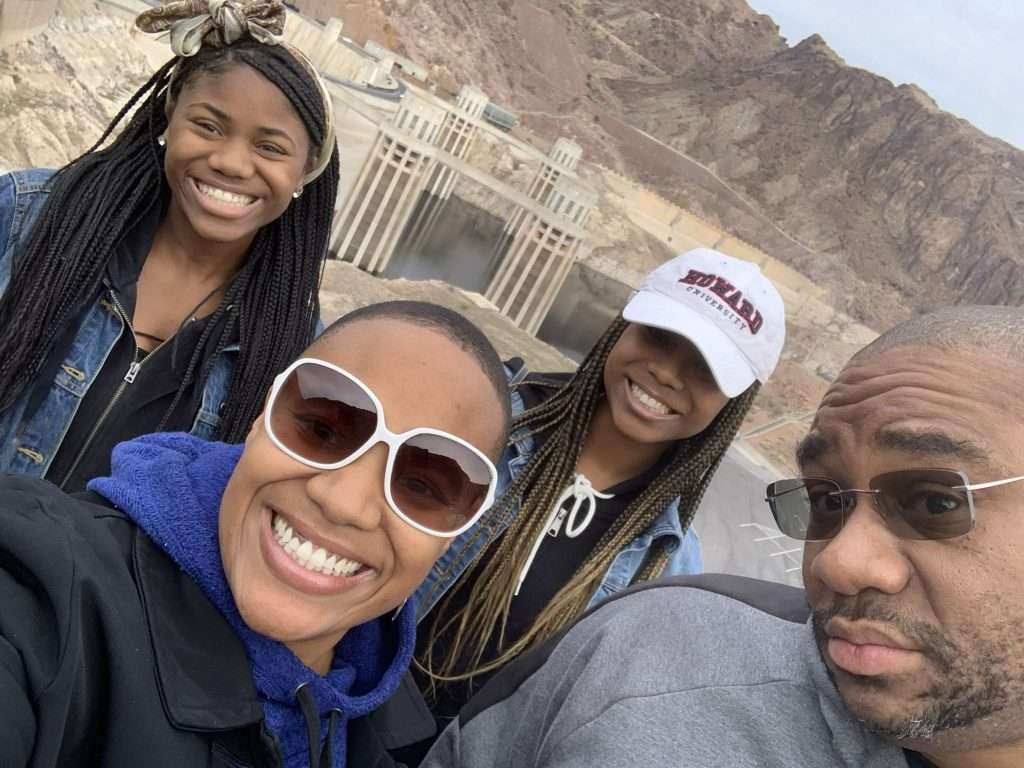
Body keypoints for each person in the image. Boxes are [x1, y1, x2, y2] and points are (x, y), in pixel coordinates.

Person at [417, 305, 1024, 768]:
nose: (838, 562)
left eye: (936, 503)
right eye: (825, 500)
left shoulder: (671, 557)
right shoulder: (655, 652)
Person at [0, 300, 512, 767]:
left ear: (452, 536)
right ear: (263, 416)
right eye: (321, 430)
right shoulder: (51, 588)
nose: (342, 502)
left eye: (420, 486)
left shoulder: (391, 739)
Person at [408, 248, 787, 735]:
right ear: (623, 327)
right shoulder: (488, 417)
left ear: (732, 403)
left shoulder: (669, 568)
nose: (666, 374)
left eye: (704, 368)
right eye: (658, 335)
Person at [0, 0, 339, 492]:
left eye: (269, 147)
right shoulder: (28, 217)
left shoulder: (292, 349)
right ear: (169, 118)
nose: (230, 162)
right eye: (208, 126)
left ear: (305, 171)